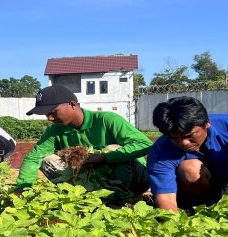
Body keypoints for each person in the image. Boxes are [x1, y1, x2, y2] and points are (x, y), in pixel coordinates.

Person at [16, 85, 152, 205]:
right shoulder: (55, 131)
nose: (49, 118)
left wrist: (105, 157)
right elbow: (33, 158)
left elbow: (144, 144)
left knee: (113, 149)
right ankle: (85, 199)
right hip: (97, 182)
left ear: (72, 104)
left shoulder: (106, 120)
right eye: (46, 114)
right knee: (48, 161)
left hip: (137, 180)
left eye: (53, 112)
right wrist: (23, 187)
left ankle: (122, 199)